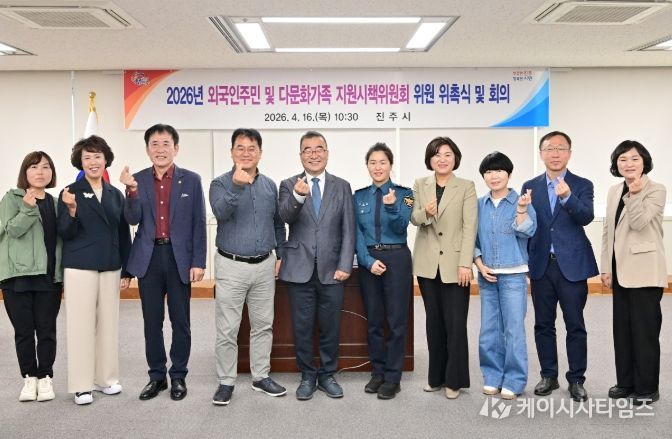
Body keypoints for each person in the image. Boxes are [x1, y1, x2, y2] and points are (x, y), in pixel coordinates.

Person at [121, 124, 207, 402]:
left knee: (181, 321)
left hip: (179, 257)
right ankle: (157, 376)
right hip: (149, 258)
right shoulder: (137, 180)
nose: (160, 149)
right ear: (148, 150)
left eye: (166, 143)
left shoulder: (191, 180)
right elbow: (132, 219)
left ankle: (179, 375)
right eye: (154, 144)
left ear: (176, 148)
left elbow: (198, 223)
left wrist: (198, 261)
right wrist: (131, 191)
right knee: (152, 322)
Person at [209, 128, 287, 406]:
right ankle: (226, 381)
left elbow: (277, 223)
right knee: (228, 329)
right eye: (240, 148)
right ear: (232, 152)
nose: (246, 153)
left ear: (260, 153)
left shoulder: (269, 186)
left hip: (265, 265)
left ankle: (260, 376)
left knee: (263, 325)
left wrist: (280, 254)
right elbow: (220, 212)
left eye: (251, 148)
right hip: (231, 266)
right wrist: (236, 186)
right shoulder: (220, 184)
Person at [278, 131, 355, 401]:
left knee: (331, 326)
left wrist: (345, 263)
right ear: (300, 155)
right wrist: (298, 197)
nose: (313, 154)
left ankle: (327, 374)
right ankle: (307, 375)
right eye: (307, 150)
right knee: (302, 327)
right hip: (299, 269)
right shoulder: (289, 184)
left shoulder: (342, 186)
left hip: (333, 269)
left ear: (327, 153)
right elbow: (285, 216)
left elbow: (349, 228)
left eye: (318, 148)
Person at [522, 131, 598, 402]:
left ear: (569, 153)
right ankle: (548, 375)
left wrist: (567, 197)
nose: (555, 153)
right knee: (543, 324)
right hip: (541, 266)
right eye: (549, 148)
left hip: (572, 266)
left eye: (560, 148)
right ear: (541, 153)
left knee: (575, 324)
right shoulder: (530, 186)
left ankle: (576, 379)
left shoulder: (582, 184)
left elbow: (586, 217)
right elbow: (527, 226)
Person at [57, 135, 132, 405]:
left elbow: (123, 233)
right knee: (81, 326)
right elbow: (64, 232)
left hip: (110, 265)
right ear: (80, 162)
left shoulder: (115, 194)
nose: (93, 162)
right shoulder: (70, 192)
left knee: (108, 324)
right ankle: (81, 385)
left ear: (105, 160)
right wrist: (71, 210)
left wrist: (127, 270)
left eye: (97, 156)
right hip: (80, 266)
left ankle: (106, 379)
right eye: (87, 157)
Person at [600, 140, 667, 406]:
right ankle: (626, 382)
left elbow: (639, 223)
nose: (628, 164)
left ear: (644, 162)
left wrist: (636, 194)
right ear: (616, 164)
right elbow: (608, 232)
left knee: (644, 332)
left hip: (645, 271)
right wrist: (606, 268)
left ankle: (647, 387)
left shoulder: (656, 189)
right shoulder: (614, 190)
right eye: (623, 159)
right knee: (623, 331)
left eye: (635, 158)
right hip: (619, 270)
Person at [411, 136, 477, 400]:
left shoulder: (466, 186)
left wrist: (465, 263)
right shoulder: (420, 184)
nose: (442, 159)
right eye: (437, 154)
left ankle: (454, 380)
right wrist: (426, 213)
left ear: (455, 158)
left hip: (455, 265)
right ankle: (435, 377)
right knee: (434, 322)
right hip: (427, 264)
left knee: (456, 324)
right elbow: (412, 217)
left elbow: (470, 227)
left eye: (447, 154)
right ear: (430, 159)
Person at [473, 152, 536, 400]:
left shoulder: (521, 201)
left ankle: (514, 379)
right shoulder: (479, 204)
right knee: (489, 330)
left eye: (499, 171)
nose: (494, 176)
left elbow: (527, 231)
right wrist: (479, 264)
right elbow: (472, 239)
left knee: (513, 330)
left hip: (513, 275)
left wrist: (521, 209)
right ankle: (492, 376)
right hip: (487, 275)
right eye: (488, 172)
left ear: (509, 174)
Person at [0, 151, 62, 402]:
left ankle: (45, 376)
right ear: (25, 172)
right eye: (34, 167)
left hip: (48, 277)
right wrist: (27, 208)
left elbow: (62, 240)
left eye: (46, 167)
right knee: (24, 331)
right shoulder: (12, 198)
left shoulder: (56, 203)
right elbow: (12, 231)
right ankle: (29, 378)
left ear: (51, 173)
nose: (40, 172)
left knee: (47, 330)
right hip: (17, 277)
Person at [353, 143, 413, 400]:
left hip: (397, 257)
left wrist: (391, 206)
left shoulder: (406, 194)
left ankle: (393, 376)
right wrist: (367, 261)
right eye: (373, 162)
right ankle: (377, 372)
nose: (378, 167)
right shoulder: (359, 196)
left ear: (390, 165)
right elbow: (357, 233)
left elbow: (401, 226)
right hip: (370, 260)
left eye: (382, 162)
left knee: (396, 321)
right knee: (374, 320)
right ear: (367, 166)